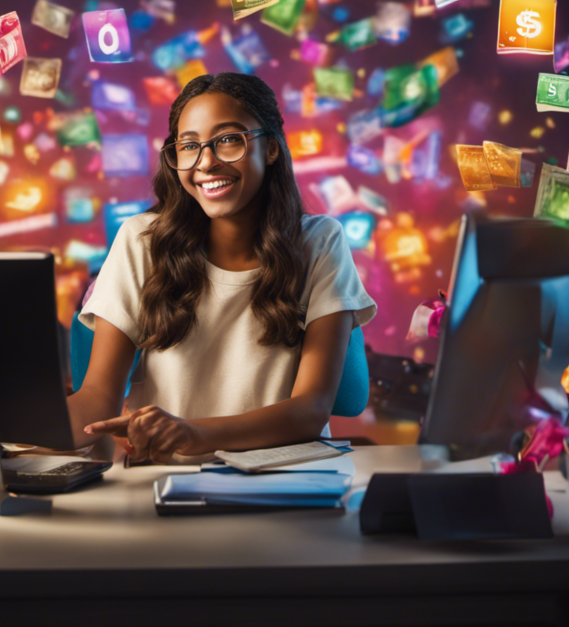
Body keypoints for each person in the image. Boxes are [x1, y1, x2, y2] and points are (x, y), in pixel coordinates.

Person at [69, 72, 376, 463]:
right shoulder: (140, 240)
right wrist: (4, 433)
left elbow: (310, 411)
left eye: (229, 140)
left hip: (283, 482)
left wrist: (193, 433)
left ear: (271, 149)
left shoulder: (319, 242)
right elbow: (97, 398)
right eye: (189, 146)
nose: (206, 162)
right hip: (165, 485)